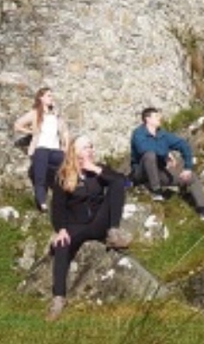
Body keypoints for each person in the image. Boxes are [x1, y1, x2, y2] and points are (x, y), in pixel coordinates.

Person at [46, 135, 132, 322]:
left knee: (115, 183)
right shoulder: (62, 176)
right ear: (75, 152)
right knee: (62, 244)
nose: (91, 150)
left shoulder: (99, 170)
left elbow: (122, 182)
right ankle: (58, 298)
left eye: (92, 146)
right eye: (86, 147)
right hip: (76, 226)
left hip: (100, 223)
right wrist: (60, 229)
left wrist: (95, 169)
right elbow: (58, 208)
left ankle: (114, 232)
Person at [129, 107, 204, 221]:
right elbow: (143, 149)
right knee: (149, 155)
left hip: (159, 173)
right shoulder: (138, 133)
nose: (160, 118)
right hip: (141, 173)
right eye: (156, 116)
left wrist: (188, 167)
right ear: (147, 119)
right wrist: (166, 153)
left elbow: (183, 145)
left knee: (191, 177)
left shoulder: (163, 135)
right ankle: (156, 191)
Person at [13, 87, 70, 212]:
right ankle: (42, 202)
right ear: (41, 98)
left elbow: (65, 131)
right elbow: (17, 125)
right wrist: (31, 131)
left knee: (65, 171)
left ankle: (67, 199)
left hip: (55, 150)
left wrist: (65, 146)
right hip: (40, 149)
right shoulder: (35, 113)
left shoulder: (56, 115)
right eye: (49, 95)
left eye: (51, 95)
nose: (51, 98)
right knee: (40, 176)